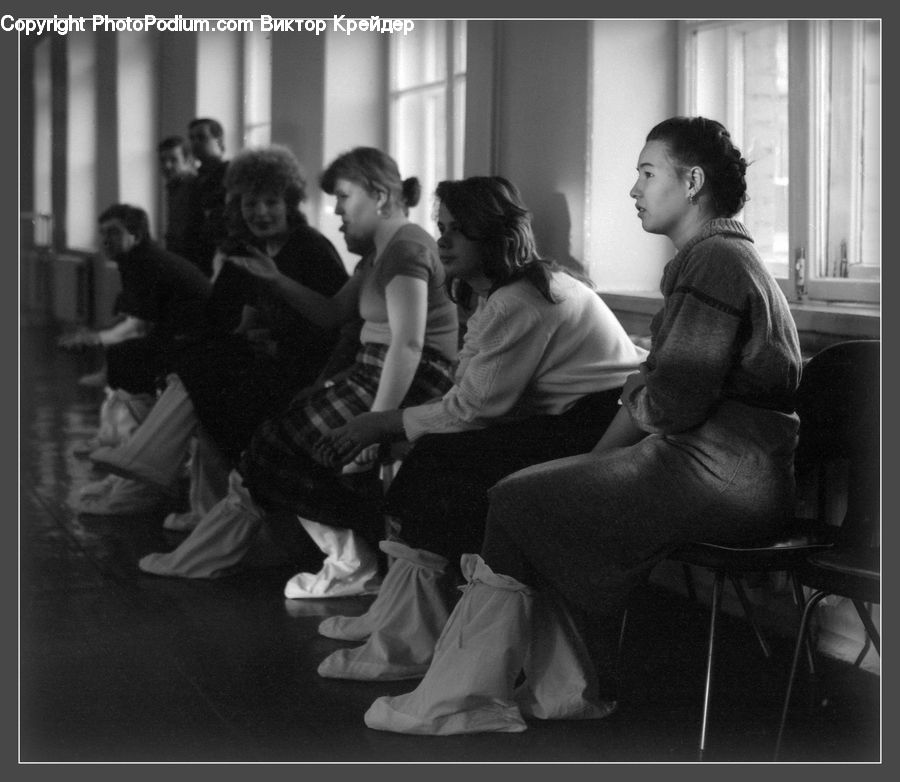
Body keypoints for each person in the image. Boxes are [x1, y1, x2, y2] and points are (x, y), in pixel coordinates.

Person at [362, 116, 804, 736]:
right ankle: (545, 686)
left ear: (694, 182)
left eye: (648, 174)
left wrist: (638, 392)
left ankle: (472, 695)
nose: (635, 190)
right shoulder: (718, 260)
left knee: (519, 499)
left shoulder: (716, 264)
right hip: (720, 467)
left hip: (726, 476)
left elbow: (671, 403)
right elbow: (667, 391)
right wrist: (637, 397)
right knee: (527, 493)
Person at [310, 175, 648, 681]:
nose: (442, 241)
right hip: (573, 417)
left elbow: (473, 408)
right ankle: (405, 619)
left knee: (440, 461)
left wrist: (383, 423)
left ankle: (415, 635)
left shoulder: (521, 301)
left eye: (457, 231)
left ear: (493, 235)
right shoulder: (503, 292)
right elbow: (480, 400)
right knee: (436, 458)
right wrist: (402, 429)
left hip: (600, 428)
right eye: (441, 228)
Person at [134, 147, 459, 593]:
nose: (337, 210)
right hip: (379, 371)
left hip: (410, 378)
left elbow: (409, 343)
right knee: (270, 442)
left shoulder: (405, 247)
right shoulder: (382, 251)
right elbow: (331, 313)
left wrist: (375, 424)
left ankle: (354, 560)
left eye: (343, 197)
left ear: (381, 196)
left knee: (277, 445)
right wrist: (274, 278)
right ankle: (348, 556)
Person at [88, 145, 350, 523]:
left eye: (270, 202)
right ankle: (177, 484)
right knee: (194, 359)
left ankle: (158, 468)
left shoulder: (309, 247)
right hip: (275, 358)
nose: (260, 212)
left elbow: (337, 322)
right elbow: (246, 318)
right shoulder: (258, 248)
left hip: (309, 369)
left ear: (289, 201)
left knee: (203, 371)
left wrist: (319, 377)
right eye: (250, 204)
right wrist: (252, 332)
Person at [188, 118, 229, 277]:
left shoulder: (229, 174)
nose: (195, 143)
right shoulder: (195, 179)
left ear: (218, 141)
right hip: (198, 253)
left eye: (201, 137)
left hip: (220, 251)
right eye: (191, 138)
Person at [157, 135, 204, 270]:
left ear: (187, 160)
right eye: (163, 160)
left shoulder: (193, 186)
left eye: (173, 160)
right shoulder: (173, 187)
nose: (167, 165)